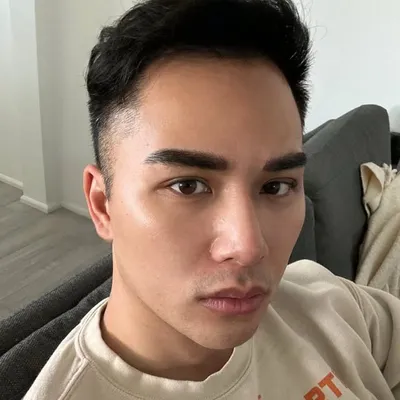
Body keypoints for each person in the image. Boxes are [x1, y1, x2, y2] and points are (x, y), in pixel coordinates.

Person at [24, 0, 400, 399]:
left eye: (276, 186)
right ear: (102, 205)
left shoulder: (329, 304)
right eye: (187, 186)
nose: (248, 247)